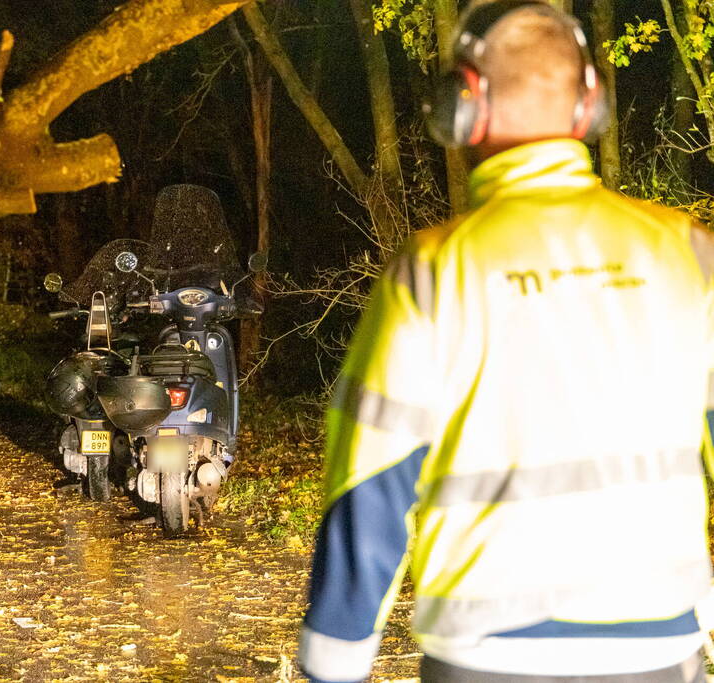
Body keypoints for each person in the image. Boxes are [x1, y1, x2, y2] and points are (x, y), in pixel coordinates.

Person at [297, 1, 714, 681]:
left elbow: (371, 478)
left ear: (463, 105)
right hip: (660, 649)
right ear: (590, 105)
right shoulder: (688, 253)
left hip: (485, 654)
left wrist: (334, 657)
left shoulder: (432, 271)